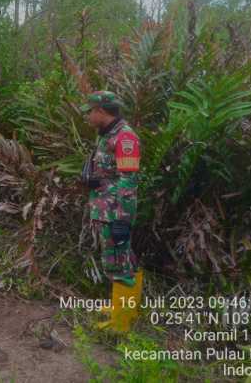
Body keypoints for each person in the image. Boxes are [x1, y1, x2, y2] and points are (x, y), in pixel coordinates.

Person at [80, 91, 143, 332]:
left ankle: (121, 323)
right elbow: (111, 173)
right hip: (106, 208)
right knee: (124, 259)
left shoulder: (125, 137)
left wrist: (119, 217)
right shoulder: (106, 135)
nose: (88, 115)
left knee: (119, 263)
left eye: (90, 111)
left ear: (102, 112)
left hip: (116, 212)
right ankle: (124, 308)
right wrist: (95, 181)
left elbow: (128, 181)